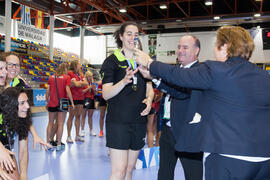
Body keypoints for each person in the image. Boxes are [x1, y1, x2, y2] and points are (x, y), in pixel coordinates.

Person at [135, 26, 270, 179]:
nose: (214, 49)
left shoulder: (215, 70)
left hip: (228, 157)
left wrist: (150, 62)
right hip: (264, 159)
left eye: (216, 44)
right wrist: (154, 78)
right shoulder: (263, 76)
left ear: (225, 47)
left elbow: (178, 75)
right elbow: (183, 91)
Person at [100, 22, 154, 180]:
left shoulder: (143, 59)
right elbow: (106, 94)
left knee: (130, 170)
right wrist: (124, 81)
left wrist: (149, 99)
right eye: (129, 33)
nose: (133, 37)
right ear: (121, 36)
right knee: (119, 171)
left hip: (138, 121)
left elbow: (149, 84)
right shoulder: (111, 61)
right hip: (118, 122)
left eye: (136, 34)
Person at [151, 35, 203, 180]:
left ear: (196, 51)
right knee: (164, 173)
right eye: (179, 47)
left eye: (185, 47)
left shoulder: (199, 72)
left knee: (193, 175)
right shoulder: (175, 72)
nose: (180, 50)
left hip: (189, 134)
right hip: (168, 131)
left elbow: (182, 92)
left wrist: (154, 77)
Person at [0, 87, 32, 180]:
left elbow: (23, 151)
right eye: (22, 103)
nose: (27, 106)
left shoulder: (22, 118)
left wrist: (23, 175)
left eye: (27, 101)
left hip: (7, 152)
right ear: (11, 105)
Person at [46, 63, 74, 150]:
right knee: (61, 124)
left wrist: (47, 102)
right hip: (63, 103)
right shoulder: (66, 78)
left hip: (52, 103)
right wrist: (72, 102)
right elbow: (68, 90)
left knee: (50, 123)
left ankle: (48, 143)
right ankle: (58, 144)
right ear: (65, 69)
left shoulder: (51, 77)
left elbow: (47, 92)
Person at [66, 60, 88, 143]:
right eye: (79, 64)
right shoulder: (70, 73)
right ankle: (68, 136)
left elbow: (85, 83)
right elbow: (76, 84)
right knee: (71, 117)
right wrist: (79, 83)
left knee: (78, 116)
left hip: (81, 98)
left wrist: (78, 83)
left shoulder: (81, 74)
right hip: (73, 98)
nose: (80, 65)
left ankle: (77, 135)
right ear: (75, 65)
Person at [80, 70, 96, 137]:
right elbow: (82, 91)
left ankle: (91, 130)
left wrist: (95, 90)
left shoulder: (92, 83)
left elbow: (95, 93)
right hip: (85, 99)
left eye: (91, 76)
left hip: (92, 99)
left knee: (90, 116)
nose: (91, 77)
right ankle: (82, 130)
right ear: (87, 76)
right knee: (83, 115)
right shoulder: (84, 83)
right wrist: (89, 87)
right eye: (90, 76)